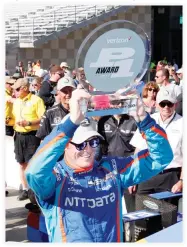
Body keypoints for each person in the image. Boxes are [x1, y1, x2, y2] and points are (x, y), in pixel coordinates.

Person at [25, 88, 173, 242]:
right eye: (81, 145)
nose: (88, 150)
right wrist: (71, 122)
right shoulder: (55, 177)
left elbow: (161, 157)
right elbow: (34, 172)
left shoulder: (112, 169)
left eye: (93, 142)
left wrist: (144, 120)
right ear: (65, 145)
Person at [130, 88, 183, 196]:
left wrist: (182, 181)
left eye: (170, 104)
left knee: (167, 213)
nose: (166, 107)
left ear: (176, 104)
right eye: (163, 104)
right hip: (147, 175)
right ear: (156, 105)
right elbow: (138, 150)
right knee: (141, 211)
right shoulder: (147, 121)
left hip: (170, 177)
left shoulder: (183, 123)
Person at [11, 78, 46, 200]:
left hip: (32, 136)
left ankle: (33, 190)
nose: (14, 91)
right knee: (21, 164)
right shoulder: (16, 102)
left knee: (32, 164)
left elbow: (43, 118)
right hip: (19, 136)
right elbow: (13, 118)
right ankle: (26, 189)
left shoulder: (37, 100)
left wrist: (29, 122)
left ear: (25, 88)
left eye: (16, 89)